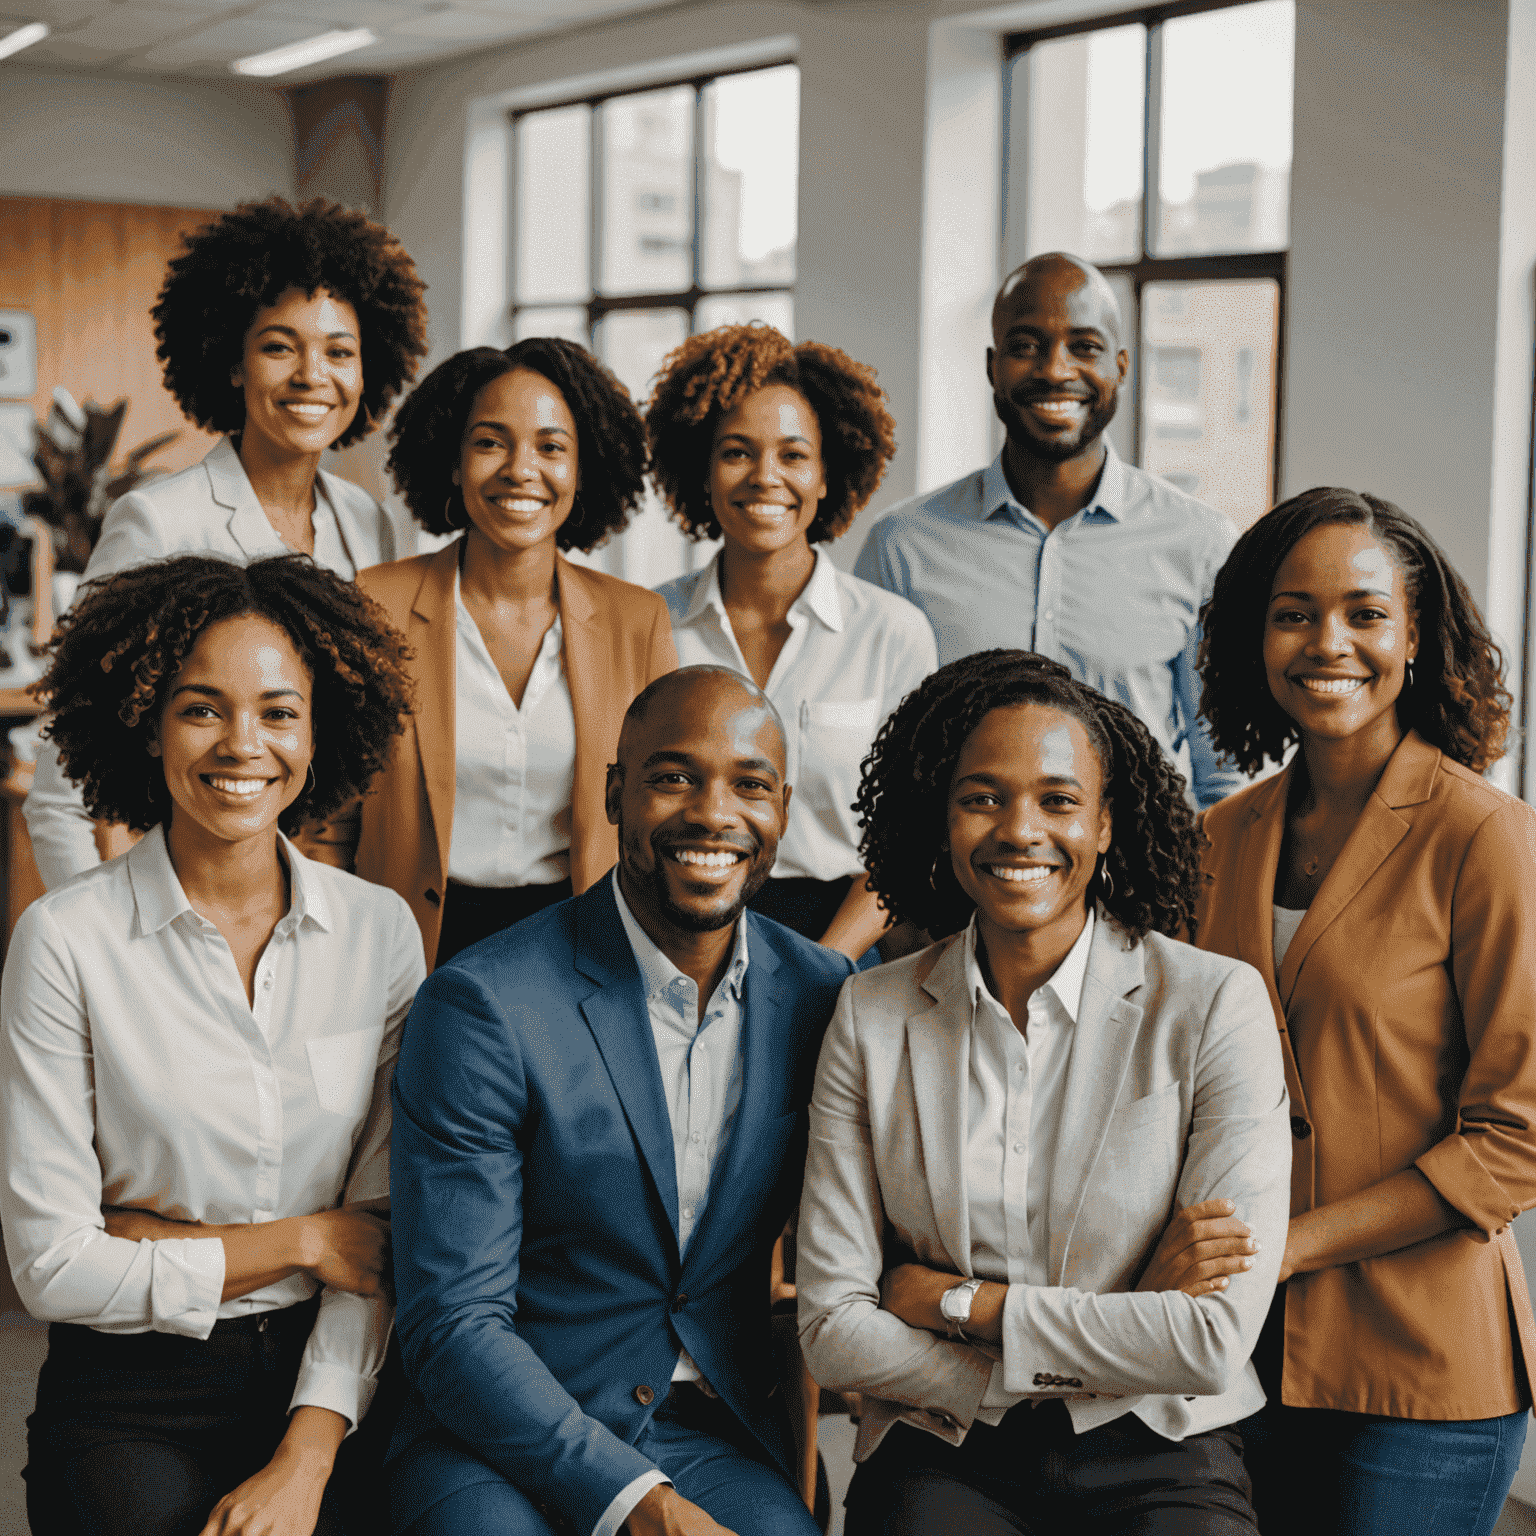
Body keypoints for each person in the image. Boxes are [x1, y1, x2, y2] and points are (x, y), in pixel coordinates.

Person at [796, 650, 1292, 1535]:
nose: (1019, 830)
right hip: (940, 1439)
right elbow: (832, 1327)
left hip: (1157, 1440)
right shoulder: (871, 1013)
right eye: (982, 797)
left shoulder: (1215, 1002)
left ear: (1107, 824)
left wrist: (961, 1307)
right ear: (941, 821)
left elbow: (1212, 1340)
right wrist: (1119, 1319)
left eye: (1058, 800)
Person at [1, 553, 424, 1536]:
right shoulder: (67, 942)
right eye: (202, 708)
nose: (243, 744)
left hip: (336, 1378)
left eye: (279, 711)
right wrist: (302, 1241)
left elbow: (385, 1234)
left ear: (321, 731)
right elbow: (54, 1267)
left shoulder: (380, 934)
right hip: (130, 1390)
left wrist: (309, 1454)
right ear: (147, 723)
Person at [386, 665, 854, 1536]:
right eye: (673, 777)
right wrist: (640, 1503)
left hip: (708, 1431)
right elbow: (453, 1322)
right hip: (497, 1430)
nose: (713, 813)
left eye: (749, 785)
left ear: (782, 812)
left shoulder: (824, 995)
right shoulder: (484, 1004)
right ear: (614, 793)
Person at [1194, 488, 1536, 1536]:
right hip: (1236, 1359)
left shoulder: (1485, 837)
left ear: (1417, 637)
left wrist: (1291, 1244)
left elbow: (1516, 1140)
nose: (1326, 642)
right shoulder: (1217, 838)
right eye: (1293, 613)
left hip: (1420, 1375)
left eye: (1365, 613)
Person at [24, 194, 429, 888]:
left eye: (339, 351)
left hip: (332, 890)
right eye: (279, 346)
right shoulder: (158, 521)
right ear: (232, 362)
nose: (312, 376)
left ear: (369, 372)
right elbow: (61, 795)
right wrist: (107, 947)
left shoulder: (374, 523)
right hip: (187, 887)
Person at [854, 253, 1243, 809]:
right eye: (1026, 346)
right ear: (993, 367)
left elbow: (1223, 775)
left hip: (1137, 884)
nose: (1055, 370)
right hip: (956, 884)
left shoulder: (1202, 545)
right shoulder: (903, 547)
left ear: (1121, 367)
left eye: (1084, 346)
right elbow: (876, 761)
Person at [352, 338, 676, 968]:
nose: (520, 470)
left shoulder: (635, 621)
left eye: (551, 447)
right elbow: (330, 822)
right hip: (407, 948)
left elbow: (659, 810)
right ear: (452, 460)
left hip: (579, 950)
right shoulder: (376, 603)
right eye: (490, 442)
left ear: (583, 471)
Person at [648, 325, 936, 963]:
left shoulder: (892, 633)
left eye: (794, 456)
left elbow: (906, 840)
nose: (765, 477)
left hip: (843, 946)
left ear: (828, 476)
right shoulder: (650, 622)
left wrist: (824, 967)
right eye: (736, 453)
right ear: (702, 470)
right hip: (676, 940)